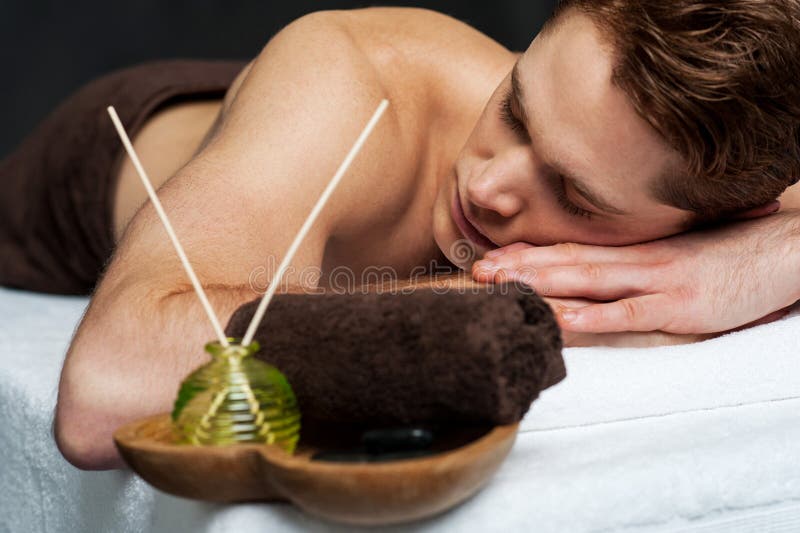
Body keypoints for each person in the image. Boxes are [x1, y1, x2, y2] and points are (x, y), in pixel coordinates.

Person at [1, 3, 795, 469]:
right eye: (514, 106)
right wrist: (528, 301)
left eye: (574, 195)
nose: (487, 186)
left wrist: (755, 261)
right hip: (95, 165)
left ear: (718, 215)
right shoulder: (346, 75)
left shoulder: (723, 166)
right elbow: (103, 396)